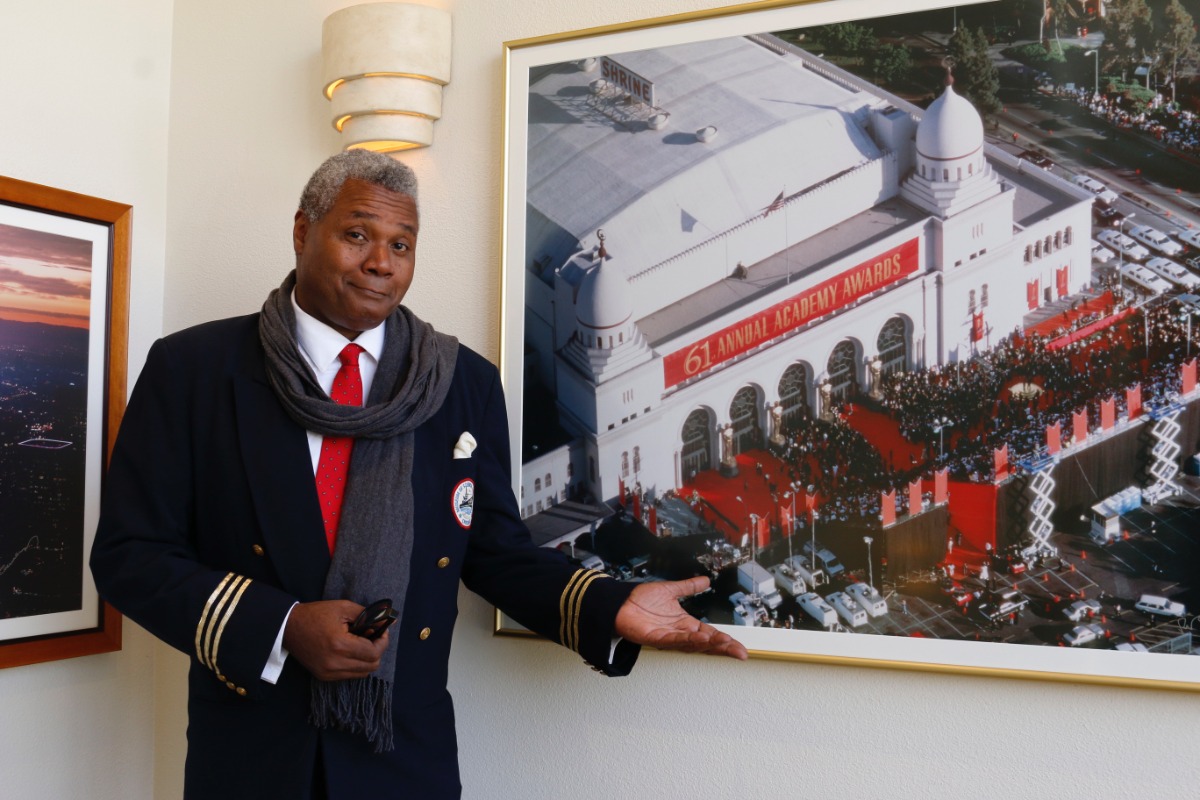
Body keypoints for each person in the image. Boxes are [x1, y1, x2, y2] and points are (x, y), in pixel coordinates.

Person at [90, 150, 746, 800]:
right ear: (301, 232)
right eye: (357, 235)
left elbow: (493, 551)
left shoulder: (462, 383)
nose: (382, 262)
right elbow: (129, 555)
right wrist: (283, 626)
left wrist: (611, 602)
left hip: (403, 758)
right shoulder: (194, 370)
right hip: (252, 757)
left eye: (401, 244)